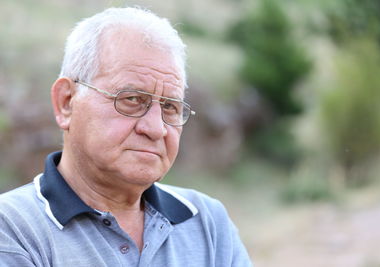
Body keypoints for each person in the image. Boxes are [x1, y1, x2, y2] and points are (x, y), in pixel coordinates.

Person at [0, 7, 252, 267]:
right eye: (132, 100)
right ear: (66, 102)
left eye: (169, 107)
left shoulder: (206, 222)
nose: (156, 128)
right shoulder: (12, 228)